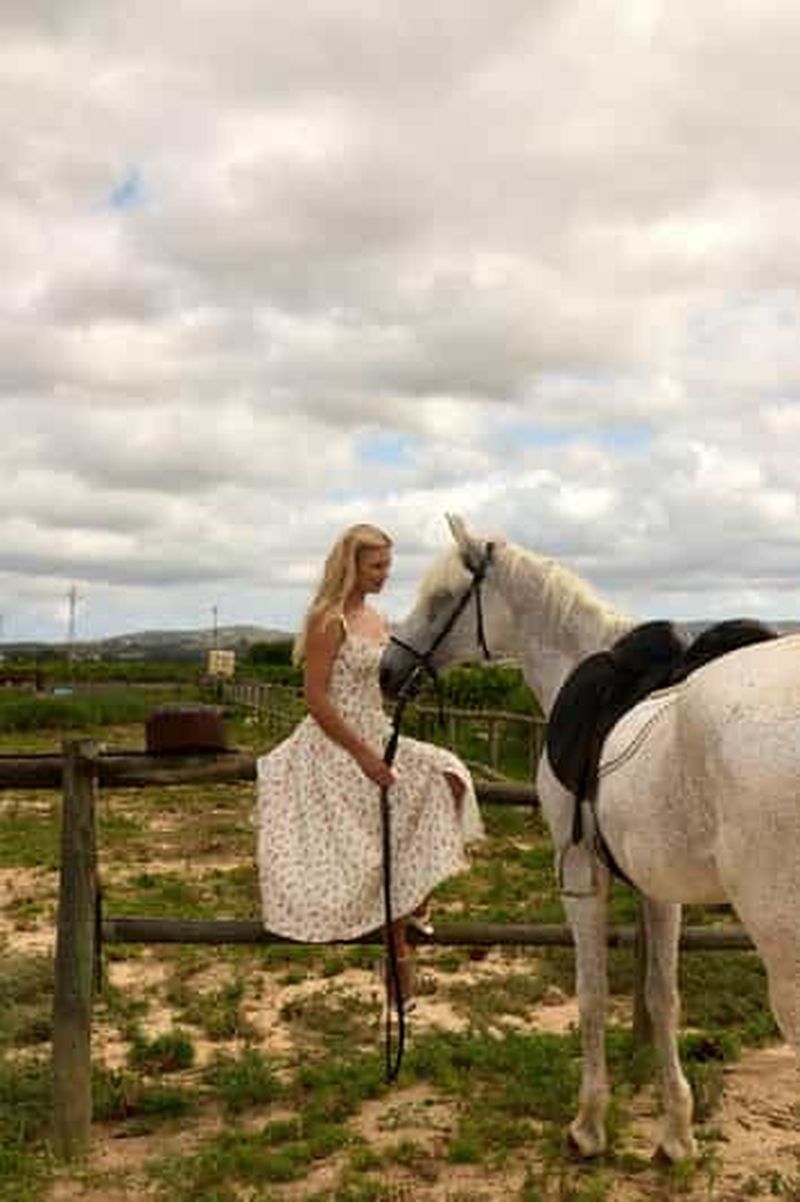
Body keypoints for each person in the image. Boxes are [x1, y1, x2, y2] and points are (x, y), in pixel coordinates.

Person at [255, 522, 484, 1004]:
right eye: (377, 565)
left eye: (387, 564)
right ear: (351, 566)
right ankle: (398, 954)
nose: (385, 573)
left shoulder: (378, 619)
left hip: (377, 730)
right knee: (380, 841)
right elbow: (316, 699)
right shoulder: (327, 619)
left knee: (451, 777)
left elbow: (378, 684)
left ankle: (411, 905)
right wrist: (363, 757)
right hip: (336, 741)